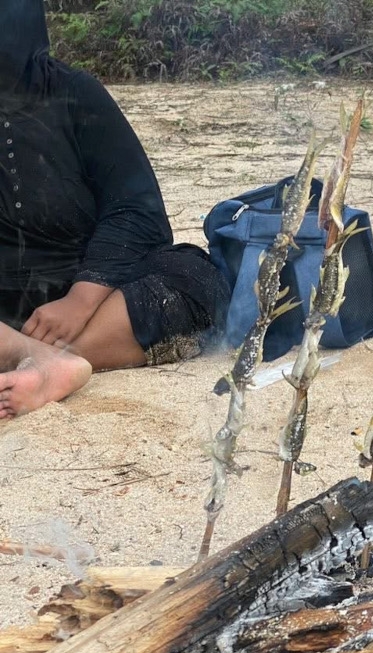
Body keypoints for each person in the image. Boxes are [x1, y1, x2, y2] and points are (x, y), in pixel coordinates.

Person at [0, 0, 230, 415]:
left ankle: (48, 360)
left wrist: (81, 300)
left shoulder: (74, 93)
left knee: (197, 278)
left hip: (95, 299)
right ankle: (39, 359)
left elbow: (136, 209)